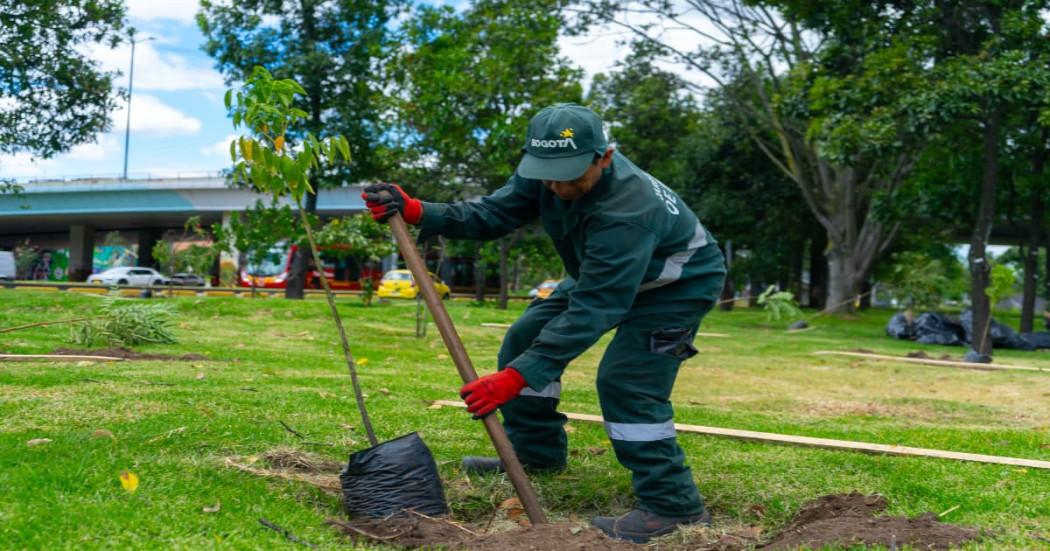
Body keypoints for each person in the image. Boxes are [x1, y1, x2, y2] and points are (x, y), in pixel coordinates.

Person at [363, 103, 726, 543]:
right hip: (600, 274)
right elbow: (493, 214)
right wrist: (420, 211)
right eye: (548, 175)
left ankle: (672, 505)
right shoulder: (547, 172)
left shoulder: (629, 211)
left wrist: (517, 378)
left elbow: (596, 307)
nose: (557, 186)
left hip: (674, 286)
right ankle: (536, 453)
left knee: (627, 382)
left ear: (605, 157)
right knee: (525, 338)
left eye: (570, 176)